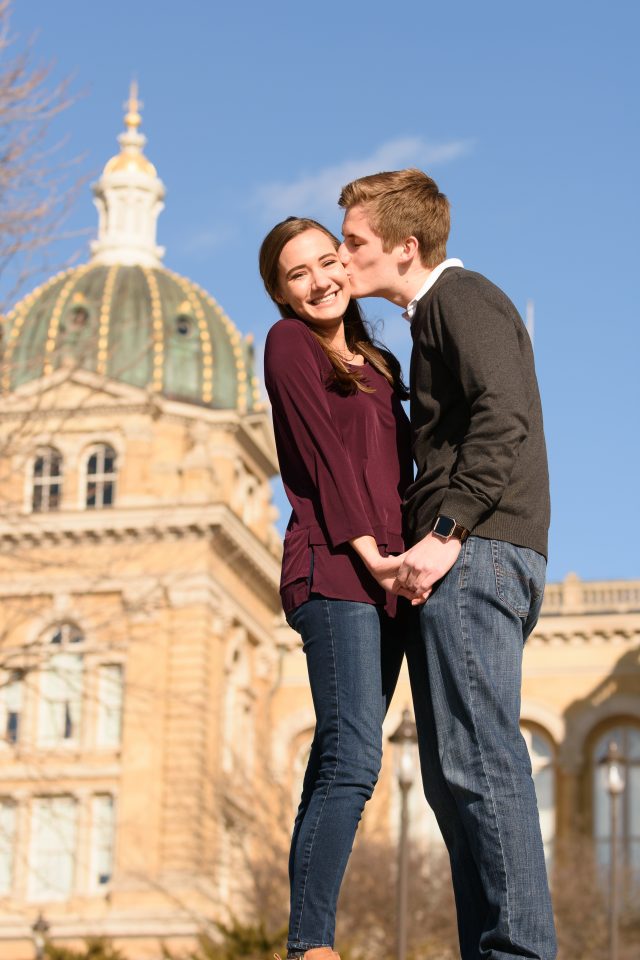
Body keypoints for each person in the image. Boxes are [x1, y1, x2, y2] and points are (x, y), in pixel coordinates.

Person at [337, 170, 557, 960]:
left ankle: (518, 953)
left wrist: (447, 530)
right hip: (473, 559)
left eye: (354, 241)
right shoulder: (431, 317)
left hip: (479, 556)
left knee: (480, 761)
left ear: (405, 246)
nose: (342, 254)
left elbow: (506, 416)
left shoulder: (460, 301)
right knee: (452, 776)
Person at [259, 217, 418, 960]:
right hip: (334, 567)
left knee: (338, 756)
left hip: (388, 576)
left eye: (329, 261)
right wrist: (369, 552)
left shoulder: (382, 363)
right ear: (281, 292)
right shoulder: (289, 344)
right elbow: (324, 458)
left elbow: (402, 474)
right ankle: (312, 945)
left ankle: (306, 935)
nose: (320, 279)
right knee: (355, 757)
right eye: (299, 273)